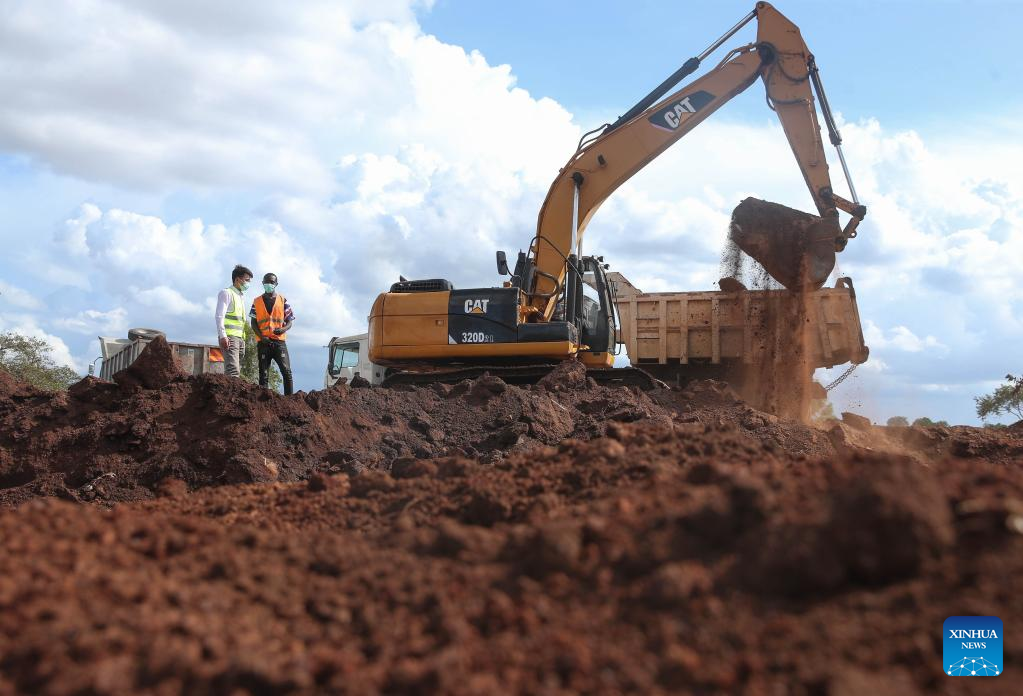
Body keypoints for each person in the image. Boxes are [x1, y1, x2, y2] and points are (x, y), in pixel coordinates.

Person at [250, 272, 295, 395]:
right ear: (263, 283)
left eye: (272, 282)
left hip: (279, 342)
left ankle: (290, 400)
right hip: (263, 343)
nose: (269, 284)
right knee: (263, 374)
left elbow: (290, 321)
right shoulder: (256, 301)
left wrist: (283, 329)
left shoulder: (283, 300)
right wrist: (261, 336)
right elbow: (253, 323)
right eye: (266, 282)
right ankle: (263, 403)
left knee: (286, 372)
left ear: (276, 284)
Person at [215, 265, 252, 378]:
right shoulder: (226, 293)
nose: (248, 283)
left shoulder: (240, 296)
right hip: (230, 337)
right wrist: (223, 336)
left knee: (235, 372)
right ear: (237, 279)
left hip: (240, 338)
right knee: (233, 372)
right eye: (246, 280)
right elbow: (219, 316)